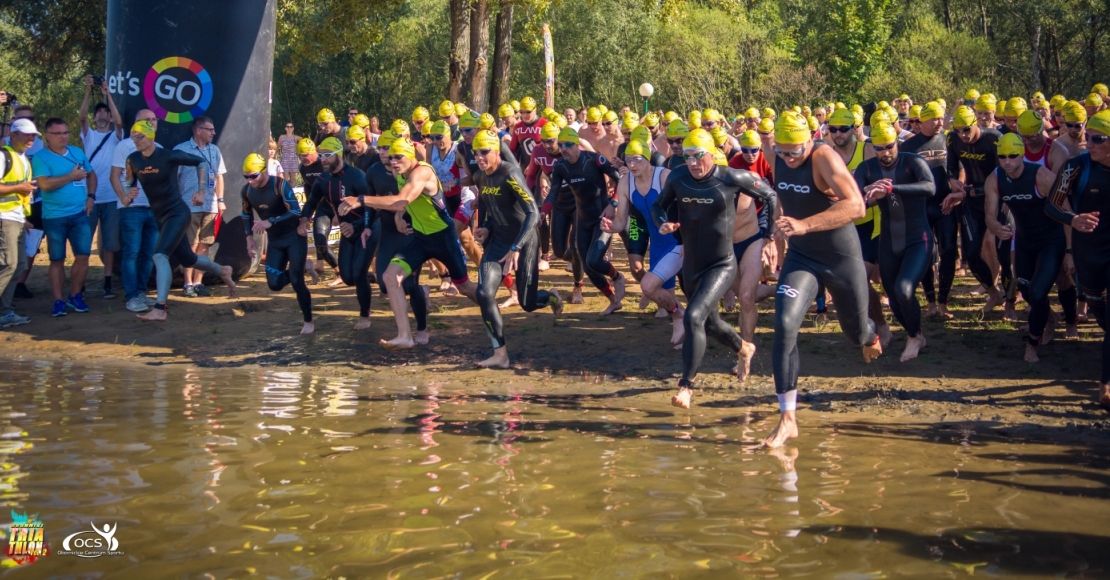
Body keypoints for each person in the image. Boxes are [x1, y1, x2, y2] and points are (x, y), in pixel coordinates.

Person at [766, 111, 882, 448]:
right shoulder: (780, 156)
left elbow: (857, 206)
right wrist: (772, 242)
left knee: (855, 333)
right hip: (802, 258)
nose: (788, 158)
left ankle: (872, 334)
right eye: (783, 151)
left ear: (811, 138)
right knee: (785, 324)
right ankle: (787, 418)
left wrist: (804, 226)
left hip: (841, 258)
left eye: (795, 151)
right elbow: (785, 203)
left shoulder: (824, 157)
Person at [651, 128, 777, 409]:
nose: (693, 163)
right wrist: (664, 222)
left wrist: (768, 237)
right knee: (710, 323)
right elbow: (659, 206)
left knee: (693, 317)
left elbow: (769, 195)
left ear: (711, 155)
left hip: (721, 263)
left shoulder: (730, 177)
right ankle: (744, 348)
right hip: (692, 263)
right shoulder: (679, 177)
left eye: (698, 157)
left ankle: (686, 386)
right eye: (687, 157)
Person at [339, 136, 478, 349]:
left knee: (465, 287)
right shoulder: (399, 173)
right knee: (389, 277)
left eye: (398, 157)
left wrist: (361, 200)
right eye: (390, 156)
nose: (393, 161)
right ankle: (405, 336)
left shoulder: (422, 171)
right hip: (419, 238)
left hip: (443, 237)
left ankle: (489, 308)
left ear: (411, 156)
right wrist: (398, 216)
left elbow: (401, 200)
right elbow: (406, 201)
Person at [124, 120, 236, 321]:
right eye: (133, 136)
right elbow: (129, 182)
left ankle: (160, 308)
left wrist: (201, 190)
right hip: (160, 217)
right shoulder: (133, 159)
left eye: (139, 136)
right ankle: (223, 270)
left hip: (178, 213)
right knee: (189, 259)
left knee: (159, 255)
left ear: (150, 136)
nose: (135, 140)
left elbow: (201, 163)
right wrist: (128, 193)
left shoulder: (167, 156)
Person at [468, 129, 562, 368]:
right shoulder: (480, 176)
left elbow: (532, 213)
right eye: (476, 152)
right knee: (484, 293)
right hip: (498, 240)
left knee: (527, 303)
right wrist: (485, 228)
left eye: (484, 152)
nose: (479, 157)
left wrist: (517, 247)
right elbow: (488, 209)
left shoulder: (510, 173)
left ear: (497, 151)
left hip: (525, 238)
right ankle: (500, 354)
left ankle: (550, 296)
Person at [854, 122, 935, 362]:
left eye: (889, 147)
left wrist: (891, 189)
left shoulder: (912, 162)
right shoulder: (866, 168)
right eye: (879, 148)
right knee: (892, 291)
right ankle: (915, 333)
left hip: (918, 237)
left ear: (897, 142)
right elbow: (857, 201)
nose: (885, 153)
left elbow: (930, 187)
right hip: (888, 239)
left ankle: (914, 335)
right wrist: (868, 193)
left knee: (904, 288)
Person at [1046, 110, 1110, 409]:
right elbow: (1052, 205)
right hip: (1089, 254)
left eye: (1097, 138)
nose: (1088, 142)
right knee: (1099, 310)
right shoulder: (1075, 167)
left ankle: (1104, 385)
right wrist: (1073, 219)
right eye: (1088, 136)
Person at [984, 133, 1063, 362]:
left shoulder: (1040, 175)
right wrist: (997, 227)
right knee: (1027, 291)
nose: (1007, 161)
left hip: (1051, 240)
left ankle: (1032, 343)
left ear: (1022, 155)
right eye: (1002, 156)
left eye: (1013, 156)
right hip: (1026, 241)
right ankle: (1047, 318)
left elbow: (1065, 209)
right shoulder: (995, 178)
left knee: (1039, 291)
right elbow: (990, 216)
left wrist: (1069, 251)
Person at [609, 139, 684, 346]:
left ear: (648, 159)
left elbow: (687, 204)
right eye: (628, 160)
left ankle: (700, 326)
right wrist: (611, 227)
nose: (632, 165)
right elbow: (621, 221)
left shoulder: (664, 176)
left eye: (637, 160)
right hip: (658, 242)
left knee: (692, 288)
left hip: (680, 239)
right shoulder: (626, 182)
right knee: (661, 290)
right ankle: (680, 321)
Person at [548, 127, 626, 315]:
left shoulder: (593, 159)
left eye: (567, 145)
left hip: (603, 216)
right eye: (561, 145)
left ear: (577, 145)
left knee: (594, 260)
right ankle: (613, 300)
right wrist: (542, 211)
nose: (563, 149)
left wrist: (613, 203)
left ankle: (617, 276)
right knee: (588, 265)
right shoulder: (560, 167)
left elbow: (620, 179)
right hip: (583, 219)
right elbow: (553, 192)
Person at [301, 137, 374, 330]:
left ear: (338, 154)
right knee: (348, 277)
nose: (322, 159)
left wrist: (357, 226)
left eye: (327, 155)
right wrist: (303, 219)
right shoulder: (323, 179)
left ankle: (365, 316)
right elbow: (311, 202)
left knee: (357, 275)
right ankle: (374, 279)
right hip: (347, 231)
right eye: (321, 155)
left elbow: (372, 207)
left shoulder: (357, 176)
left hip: (366, 230)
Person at [240, 153, 313, 334]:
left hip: (294, 237)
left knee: (297, 281)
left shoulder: (279, 185)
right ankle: (303, 266)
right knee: (274, 284)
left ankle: (308, 321)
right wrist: (249, 239)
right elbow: (246, 215)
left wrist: (271, 221)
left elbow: (296, 211)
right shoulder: (247, 191)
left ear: (263, 171)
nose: (250, 181)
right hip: (276, 241)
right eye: (246, 177)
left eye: (253, 176)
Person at [32, 118, 95, 317]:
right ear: (47, 136)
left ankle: (75, 295)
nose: (63, 137)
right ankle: (58, 300)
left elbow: (91, 175)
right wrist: (70, 177)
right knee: (57, 259)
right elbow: (45, 185)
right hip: (54, 217)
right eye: (58, 133)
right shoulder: (41, 157)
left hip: (80, 214)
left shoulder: (77, 152)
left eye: (66, 132)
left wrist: (91, 197)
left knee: (83, 257)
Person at [947, 105, 1005, 313]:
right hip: (971, 202)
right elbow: (951, 167)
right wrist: (953, 181)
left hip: (996, 200)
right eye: (958, 130)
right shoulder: (953, 139)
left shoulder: (993, 138)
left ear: (975, 124)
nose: (963, 135)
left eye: (966, 130)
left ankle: (1011, 300)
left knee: (1000, 250)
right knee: (972, 254)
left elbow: (1003, 174)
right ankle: (993, 293)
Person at [903, 101, 958, 320]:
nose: (938, 123)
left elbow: (959, 168)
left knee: (949, 252)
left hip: (945, 205)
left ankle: (943, 302)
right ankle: (931, 302)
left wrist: (958, 186)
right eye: (933, 119)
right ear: (921, 121)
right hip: (921, 206)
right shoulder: (909, 146)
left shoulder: (948, 140)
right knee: (925, 254)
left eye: (940, 118)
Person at [110, 109, 160, 313]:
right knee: (131, 252)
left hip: (153, 209)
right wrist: (123, 197)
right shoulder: (125, 146)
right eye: (147, 120)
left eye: (154, 119)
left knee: (148, 254)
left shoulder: (159, 147)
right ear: (136, 124)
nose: (152, 122)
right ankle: (131, 296)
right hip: (132, 209)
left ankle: (141, 292)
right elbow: (114, 175)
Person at [529, 122, 585, 303]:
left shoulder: (568, 148)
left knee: (575, 245)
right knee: (560, 250)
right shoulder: (538, 151)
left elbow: (594, 163)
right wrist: (528, 197)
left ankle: (578, 287)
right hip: (558, 201)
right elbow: (531, 175)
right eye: (543, 141)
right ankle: (583, 262)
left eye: (551, 141)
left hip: (578, 201)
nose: (547, 145)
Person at [79, 75, 124, 299]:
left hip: (112, 198)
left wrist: (108, 95)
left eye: (105, 111)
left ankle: (107, 281)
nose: (102, 114)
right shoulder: (88, 136)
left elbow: (119, 121)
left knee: (110, 242)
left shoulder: (117, 136)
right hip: (91, 197)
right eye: (98, 112)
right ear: (94, 117)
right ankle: (82, 281)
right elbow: (81, 117)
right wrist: (88, 90)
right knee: (84, 241)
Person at [174, 116, 226, 298]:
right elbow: (174, 178)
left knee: (205, 245)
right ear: (198, 130)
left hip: (210, 205)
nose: (214, 133)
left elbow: (219, 176)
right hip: (189, 206)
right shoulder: (181, 149)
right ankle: (187, 283)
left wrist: (220, 200)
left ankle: (198, 282)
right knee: (190, 245)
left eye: (214, 130)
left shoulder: (215, 150)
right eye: (210, 130)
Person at [0, 118, 36, 328]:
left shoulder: (22, 158)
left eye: (33, 136)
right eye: (26, 134)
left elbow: (22, 189)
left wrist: (24, 219)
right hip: (4, 218)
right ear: (13, 135)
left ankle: (5, 311)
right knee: (9, 264)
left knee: (19, 264)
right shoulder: (4, 156)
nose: (30, 139)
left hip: (17, 218)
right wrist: (19, 188)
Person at [297, 137, 339, 284]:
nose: (303, 158)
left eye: (306, 155)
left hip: (340, 205)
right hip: (323, 207)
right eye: (300, 155)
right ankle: (339, 271)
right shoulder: (303, 168)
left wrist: (337, 211)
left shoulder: (325, 164)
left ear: (314, 152)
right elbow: (308, 188)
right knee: (320, 242)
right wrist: (309, 212)